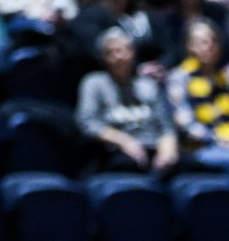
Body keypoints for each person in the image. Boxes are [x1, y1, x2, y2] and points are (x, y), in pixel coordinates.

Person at [77, 29, 179, 175]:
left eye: (121, 50)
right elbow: (87, 122)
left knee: (195, 168)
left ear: (132, 52)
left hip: (154, 148)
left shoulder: (147, 85)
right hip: (116, 150)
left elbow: (166, 126)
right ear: (102, 58)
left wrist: (168, 150)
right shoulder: (94, 83)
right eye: (109, 53)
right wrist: (125, 142)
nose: (117, 57)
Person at [167, 20, 229, 177]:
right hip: (201, 146)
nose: (210, 47)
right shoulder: (179, 78)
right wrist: (224, 142)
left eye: (214, 41)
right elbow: (186, 126)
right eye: (203, 42)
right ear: (190, 47)